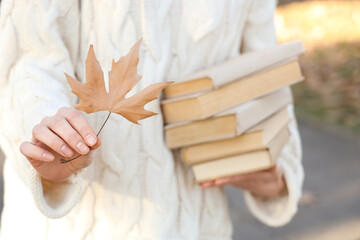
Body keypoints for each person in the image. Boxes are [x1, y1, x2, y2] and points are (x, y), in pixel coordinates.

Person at [0, 0, 304, 239]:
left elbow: (267, 79)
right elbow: (27, 56)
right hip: (73, 228)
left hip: (197, 226)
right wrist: (47, 132)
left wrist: (277, 173)